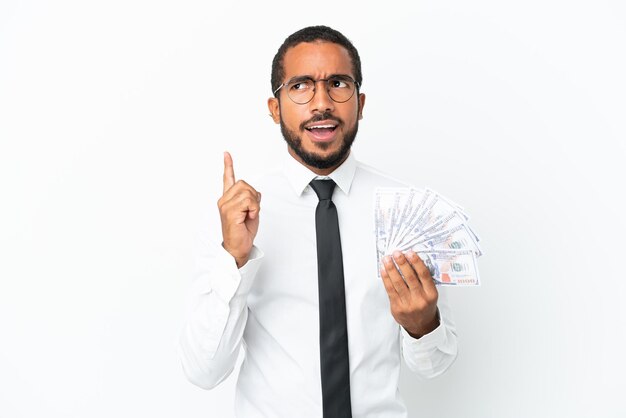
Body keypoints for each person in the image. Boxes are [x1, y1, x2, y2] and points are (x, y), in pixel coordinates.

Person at [179, 25, 458, 417]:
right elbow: (204, 370)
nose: (321, 102)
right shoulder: (234, 218)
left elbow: (435, 365)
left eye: (338, 84)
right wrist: (234, 260)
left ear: (360, 103)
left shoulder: (408, 211)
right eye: (300, 86)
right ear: (275, 107)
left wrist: (423, 324)